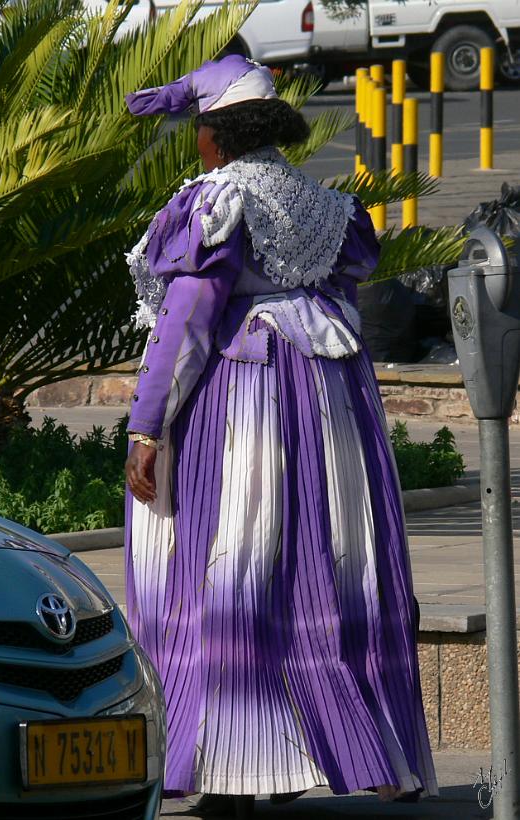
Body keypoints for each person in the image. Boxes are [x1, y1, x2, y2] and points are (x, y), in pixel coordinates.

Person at [123, 55, 438, 818]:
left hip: (246, 400)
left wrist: (147, 427)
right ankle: (303, 748)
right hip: (329, 401)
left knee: (230, 555)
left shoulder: (217, 203)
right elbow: (345, 287)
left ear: (215, 134)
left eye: (197, 129)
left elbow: (189, 322)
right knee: (314, 566)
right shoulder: (323, 205)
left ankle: (231, 757)